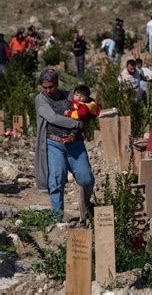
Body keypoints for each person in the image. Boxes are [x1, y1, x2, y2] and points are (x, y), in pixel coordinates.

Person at [34, 69, 95, 223]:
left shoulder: (69, 96)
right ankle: (57, 218)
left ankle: (86, 208)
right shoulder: (41, 100)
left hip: (74, 144)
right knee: (56, 179)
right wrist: (78, 124)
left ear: (57, 83)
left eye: (52, 86)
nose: (48, 90)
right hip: (54, 143)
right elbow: (52, 118)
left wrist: (79, 127)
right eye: (45, 87)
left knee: (86, 178)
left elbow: (87, 108)